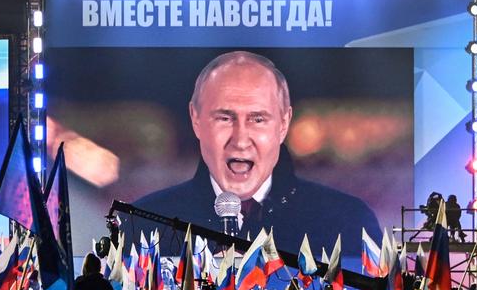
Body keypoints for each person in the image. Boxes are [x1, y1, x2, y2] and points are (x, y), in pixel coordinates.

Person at [130, 51, 381, 259]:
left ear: (284, 124)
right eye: (225, 118)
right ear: (196, 120)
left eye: (258, 119)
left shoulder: (347, 221)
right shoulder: (143, 224)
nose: (240, 140)